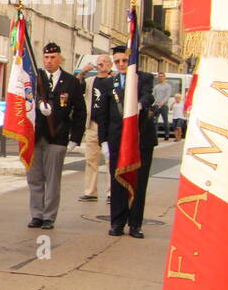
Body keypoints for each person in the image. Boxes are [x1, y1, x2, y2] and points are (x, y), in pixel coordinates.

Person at [94, 45, 156, 238]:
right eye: (118, 61)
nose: (121, 64)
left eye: (125, 61)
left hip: (140, 139)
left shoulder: (143, 78)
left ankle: (135, 224)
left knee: (139, 181)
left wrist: (139, 104)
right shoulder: (108, 84)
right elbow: (101, 115)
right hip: (116, 140)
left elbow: (148, 95)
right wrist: (103, 141)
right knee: (117, 181)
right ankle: (117, 223)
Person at [26, 42, 86, 230]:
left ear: (60, 58)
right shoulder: (35, 79)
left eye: (53, 57)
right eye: (46, 57)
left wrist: (75, 138)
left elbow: (80, 111)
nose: (49, 61)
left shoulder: (70, 81)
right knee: (35, 178)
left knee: (52, 180)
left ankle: (49, 216)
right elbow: (23, 103)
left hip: (57, 136)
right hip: (35, 136)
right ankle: (36, 214)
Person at [77, 54, 112, 202]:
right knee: (91, 159)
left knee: (111, 160)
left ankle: (112, 193)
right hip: (92, 124)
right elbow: (76, 88)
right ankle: (90, 192)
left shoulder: (114, 81)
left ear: (110, 65)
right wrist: (82, 73)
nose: (101, 64)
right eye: (99, 62)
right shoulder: (91, 81)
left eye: (104, 62)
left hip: (109, 126)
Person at [152, 72, 173, 141]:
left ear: (164, 77)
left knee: (165, 121)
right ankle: (155, 135)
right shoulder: (156, 86)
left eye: (161, 76)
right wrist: (153, 103)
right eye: (159, 76)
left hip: (164, 106)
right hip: (156, 105)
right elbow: (153, 95)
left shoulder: (168, 86)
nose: (160, 78)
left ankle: (167, 134)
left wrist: (162, 103)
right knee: (155, 121)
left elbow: (167, 96)